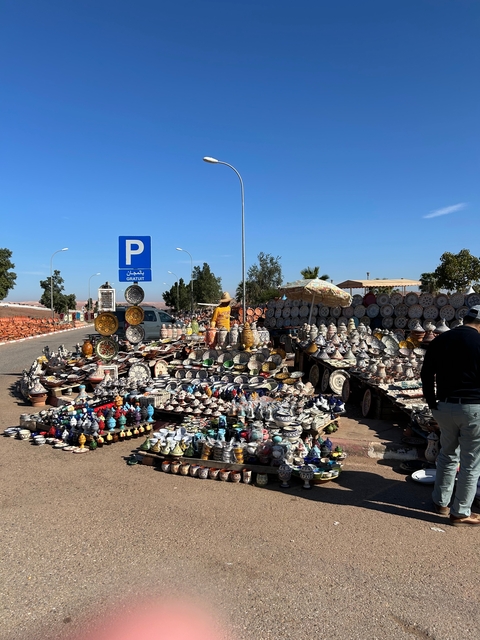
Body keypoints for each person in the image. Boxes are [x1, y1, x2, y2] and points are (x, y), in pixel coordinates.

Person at [421, 305, 480, 526]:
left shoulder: (440, 340)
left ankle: (441, 503)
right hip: (473, 408)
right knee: (471, 462)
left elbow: (426, 374)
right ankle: (461, 512)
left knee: (447, 454)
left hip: (444, 407)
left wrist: (432, 403)